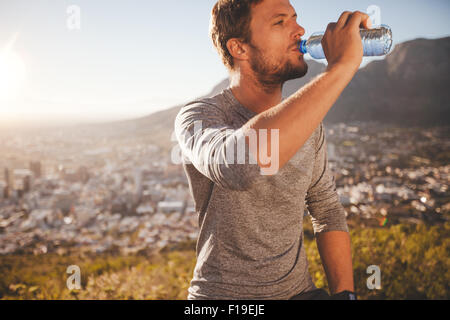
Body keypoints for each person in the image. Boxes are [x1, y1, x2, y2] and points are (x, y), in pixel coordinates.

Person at [174, 0, 371, 300]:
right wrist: (341, 68)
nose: (300, 30)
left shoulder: (309, 124)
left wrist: (346, 295)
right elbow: (238, 166)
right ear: (239, 48)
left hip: (300, 293)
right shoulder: (198, 116)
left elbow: (327, 210)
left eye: (295, 18)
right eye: (280, 22)